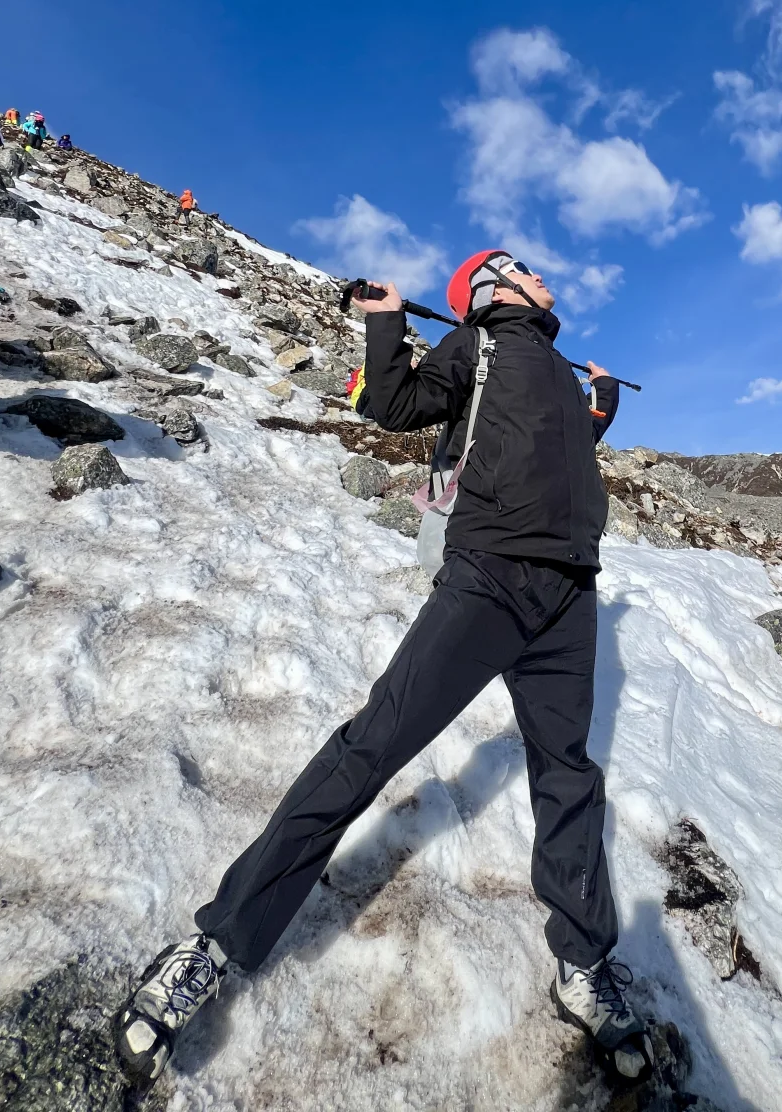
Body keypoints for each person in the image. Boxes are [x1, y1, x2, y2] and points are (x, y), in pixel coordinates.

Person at [114, 250, 652, 1090]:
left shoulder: (550, 365)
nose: (549, 277)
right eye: (528, 269)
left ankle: (583, 964)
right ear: (495, 287)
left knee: (569, 777)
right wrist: (385, 321)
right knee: (371, 745)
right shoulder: (479, 346)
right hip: (489, 579)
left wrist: (600, 407)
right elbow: (394, 404)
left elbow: (560, 450)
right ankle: (217, 942)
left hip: (570, 594)